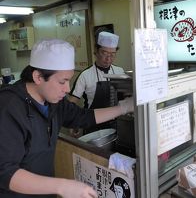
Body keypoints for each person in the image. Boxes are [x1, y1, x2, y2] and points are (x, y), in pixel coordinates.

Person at [0, 39, 133, 198]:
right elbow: (5, 172)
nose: (67, 88)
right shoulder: (9, 108)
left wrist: (123, 108)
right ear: (38, 77)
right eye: (62, 81)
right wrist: (62, 186)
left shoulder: (54, 102)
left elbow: (84, 117)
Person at [69, 31, 125, 134]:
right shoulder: (85, 75)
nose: (108, 58)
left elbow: (125, 96)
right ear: (96, 51)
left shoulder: (119, 71)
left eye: (112, 55)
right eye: (104, 53)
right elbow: (72, 102)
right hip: (93, 125)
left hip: (117, 123)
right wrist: (73, 122)